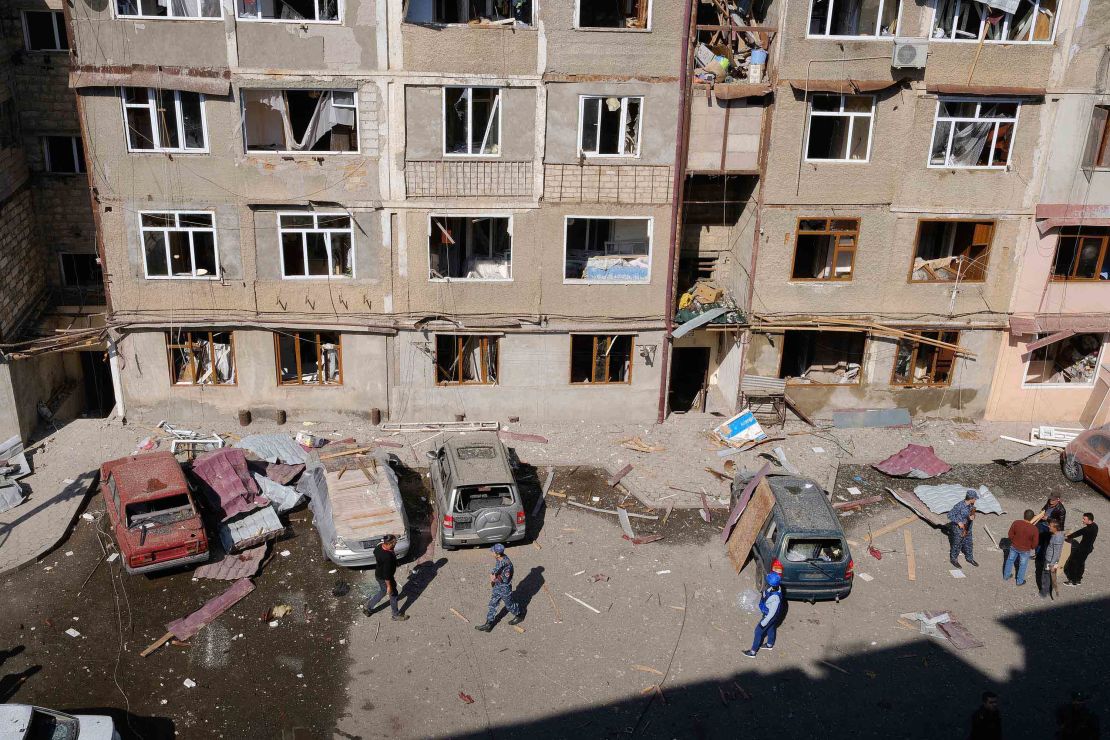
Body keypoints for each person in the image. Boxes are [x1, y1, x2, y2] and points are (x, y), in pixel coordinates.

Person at [475, 543, 523, 632]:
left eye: (493, 551)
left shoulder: (507, 564)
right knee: (493, 603)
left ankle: (519, 614)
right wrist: (493, 574)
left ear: (497, 553)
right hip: (497, 586)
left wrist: (494, 579)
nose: (491, 552)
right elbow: (497, 568)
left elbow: (505, 579)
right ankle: (488, 624)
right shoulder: (499, 558)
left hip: (504, 588)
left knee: (509, 605)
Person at [362, 534, 409, 621]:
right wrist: (389, 587)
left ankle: (368, 607)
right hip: (385, 578)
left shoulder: (380, 547)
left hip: (378, 574)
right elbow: (387, 575)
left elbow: (375, 553)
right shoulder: (387, 557)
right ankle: (395, 615)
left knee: (383, 591)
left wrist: (393, 562)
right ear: (390, 543)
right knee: (393, 594)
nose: (396, 544)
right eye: (395, 542)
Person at [742, 573, 783, 658]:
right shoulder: (776, 588)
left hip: (769, 616)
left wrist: (763, 623)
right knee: (771, 628)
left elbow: (772, 614)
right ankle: (769, 644)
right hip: (771, 616)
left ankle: (753, 652)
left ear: (771, 584)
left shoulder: (775, 599)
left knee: (758, 631)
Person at [1003, 509, 1039, 586]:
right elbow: (1035, 543)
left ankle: (1006, 576)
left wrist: (1013, 541)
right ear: (1032, 517)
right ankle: (1019, 581)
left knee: (1009, 560)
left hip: (1014, 546)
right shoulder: (1034, 529)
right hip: (1025, 550)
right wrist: (1031, 547)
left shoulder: (1016, 523)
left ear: (1024, 515)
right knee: (1023, 565)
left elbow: (1010, 534)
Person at [948, 490, 979, 569]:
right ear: (971, 498)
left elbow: (972, 514)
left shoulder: (972, 505)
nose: (975, 500)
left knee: (969, 544)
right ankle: (953, 559)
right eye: (975, 498)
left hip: (968, 529)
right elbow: (949, 515)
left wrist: (972, 517)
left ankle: (969, 558)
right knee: (957, 545)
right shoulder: (959, 506)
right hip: (959, 530)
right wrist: (958, 522)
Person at [1064, 513, 1098, 587]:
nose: (1082, 520)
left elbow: (1077, 533)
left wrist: (1067, 537)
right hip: (1089, 548)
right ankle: (1078, 579)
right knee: (1081, 563)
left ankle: (1072, 581)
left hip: (1082, 549)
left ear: (1089, 520)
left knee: (1072, 563)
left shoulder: (1087, 529)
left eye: (1084, 519)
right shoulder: (1095, 526)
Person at [1041, 520, 1065, 599]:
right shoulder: (1058, 534)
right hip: (1052, 560)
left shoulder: (1057, 538)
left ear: (1056, 528)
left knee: (1046, 575)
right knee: (1050, 574)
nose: (1048, 526)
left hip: (1050, 560)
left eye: (1050, 526)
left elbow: (1056, 553)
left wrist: (1051, 564)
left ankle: (1044, 592)